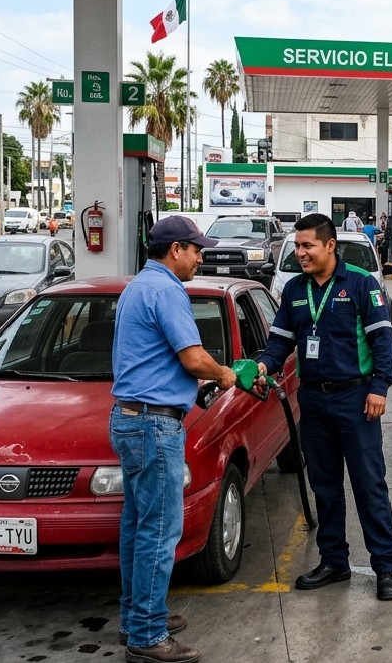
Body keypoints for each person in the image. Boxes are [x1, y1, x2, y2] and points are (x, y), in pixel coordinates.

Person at [110, 214, 237, 663]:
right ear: (175, 250)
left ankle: (137, 617)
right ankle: (147, 635)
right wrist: (223, 374)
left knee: (137, 526)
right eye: (196, 249)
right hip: (153, 424)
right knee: (160, 531)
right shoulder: (166, 290)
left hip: (129, 418)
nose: (200, 258)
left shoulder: (138, 286)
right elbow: (193, 358)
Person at [254, 213, 392, 601]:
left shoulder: (361, 283)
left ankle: (386, 566)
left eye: (308, 246)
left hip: (357, 400)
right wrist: (264, 365)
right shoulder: (294, 290)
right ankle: (334, 561)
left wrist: (380, 387)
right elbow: (279, 342)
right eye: (297, 246)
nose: (300, 253)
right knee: (325, 485)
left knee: (369, 484)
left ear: (330, 245)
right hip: (314, 401)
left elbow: (383, 341)